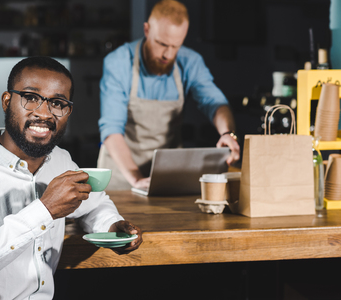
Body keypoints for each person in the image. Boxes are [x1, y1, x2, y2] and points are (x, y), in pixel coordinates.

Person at [0, 56, 143, 300]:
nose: (44, 113)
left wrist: (112, 226)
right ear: (7, 101)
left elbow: (95, 203)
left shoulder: (60, 161)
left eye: (57, 102)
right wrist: (44, 210)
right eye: (31, 98)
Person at [97, 0, 240, 190]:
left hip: (167, 174)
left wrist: (227, 133)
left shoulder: (190, 62)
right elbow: (111, 129)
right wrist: (136, 179)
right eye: (162, 44)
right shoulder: (119, 63)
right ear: (147, 30)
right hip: (122, 175)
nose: (168, 54)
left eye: (176, 46)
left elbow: (215, 103)